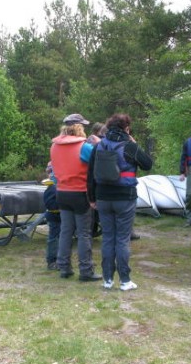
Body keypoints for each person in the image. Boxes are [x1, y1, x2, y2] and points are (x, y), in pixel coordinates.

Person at [88, 114, 153, 291]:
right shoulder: (130, 146)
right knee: (122, 239)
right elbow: (148, 164)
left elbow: (90, 175)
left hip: (103, 198)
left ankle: (107, 280)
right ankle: (125, 280)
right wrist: (134, 142)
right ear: (126, 128)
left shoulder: (99, 146)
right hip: (124, 197)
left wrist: (92, 198)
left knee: (108, 238)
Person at [50, 113, 101, 282]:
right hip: (80, 193)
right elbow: (98, 164)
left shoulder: (54, 147)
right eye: (83, 126)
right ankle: (86, 270)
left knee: (65, 231)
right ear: (79, 127)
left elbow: (55, 172)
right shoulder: (84, 147)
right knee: (84, 234)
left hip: (62, 192)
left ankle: (64, 267)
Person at [43, 162, 60, 270]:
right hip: (54, 216)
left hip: (60, 215)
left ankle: (60, 260)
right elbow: (50, 205)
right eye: (49, 173)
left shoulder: (56, 186)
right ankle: (52, 261)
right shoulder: (51, 188)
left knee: (61, 238)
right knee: (53, 239)